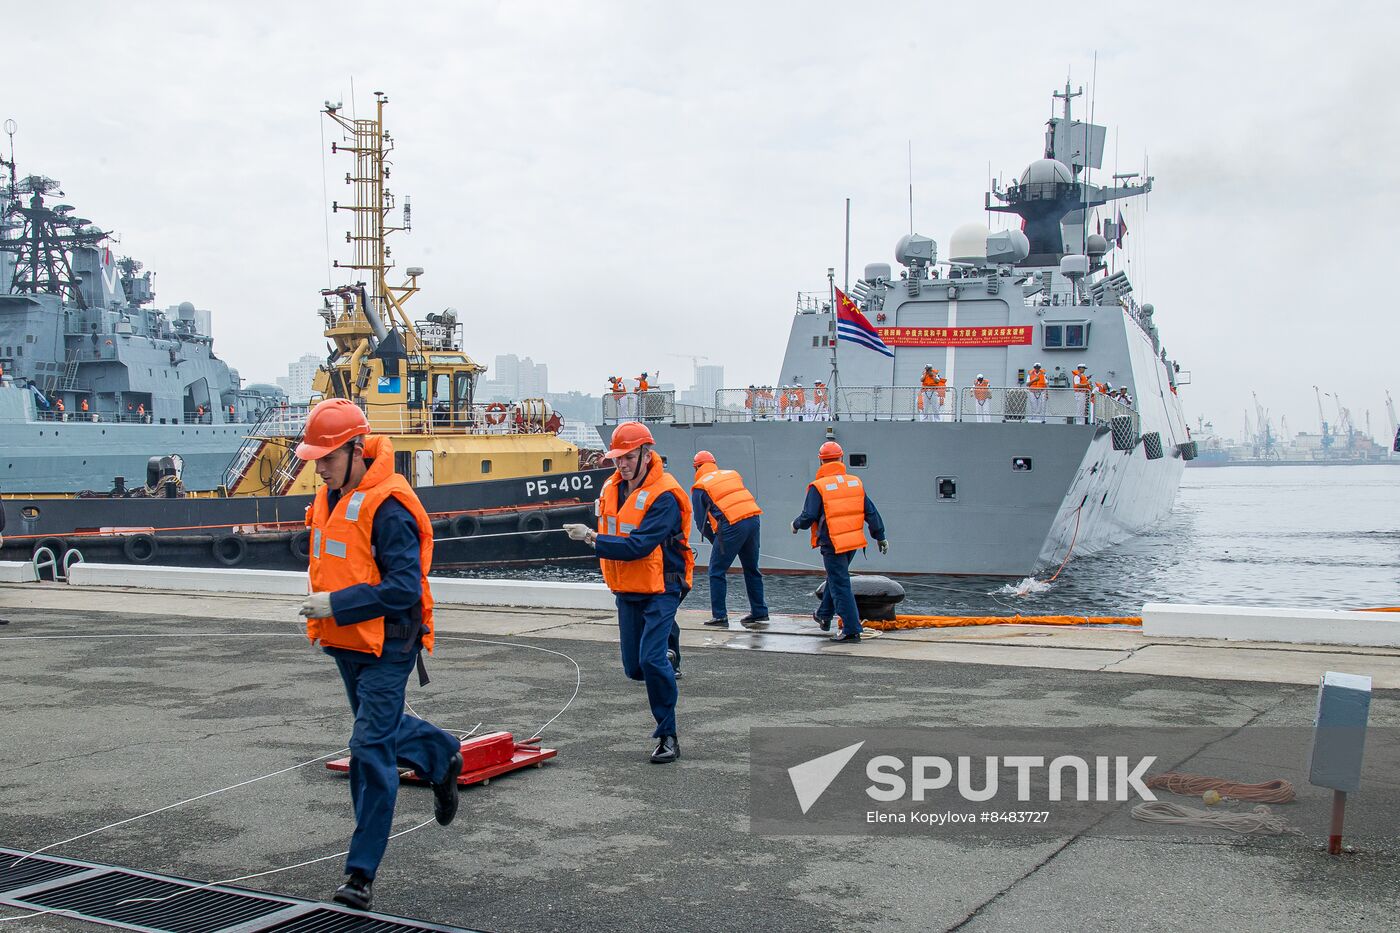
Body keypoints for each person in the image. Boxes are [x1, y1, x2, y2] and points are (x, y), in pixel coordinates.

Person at [294, 398, 464, 911]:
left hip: (388, 644)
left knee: (369, 750)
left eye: (326, 458)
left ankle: (359, 873)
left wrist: (335, 604)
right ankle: (440, 754)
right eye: (315, 459)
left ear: (356, 450)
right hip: (345, 642)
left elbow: (404, 588)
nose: (318, 468)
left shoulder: (390, 508)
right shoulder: (332, 493)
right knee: (381, 732)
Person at [564, 421, 691, 763]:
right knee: (635, 668)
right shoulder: (611, 487)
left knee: (650, 660)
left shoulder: (665, 496)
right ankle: (665, 658)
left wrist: (591, 538)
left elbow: (638, 546)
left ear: (647, 455)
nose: (622, 463)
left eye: (629, 457)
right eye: (618, 457)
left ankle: (667, 736)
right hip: (626, 587)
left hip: (662, 586)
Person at [791, 441, 886, 642]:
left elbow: (808, 516)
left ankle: (851, 630)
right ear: (841, 459)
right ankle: (824, 614)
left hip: (832, 543)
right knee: (836, 578)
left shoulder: (818, 487)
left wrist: (796, 524)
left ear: (821, 461)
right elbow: (871, 512)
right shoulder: (855, 482)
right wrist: (880, 536)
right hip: (853, 542)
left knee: (840, 584)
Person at [690, 450, 768, 630]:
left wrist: (716, 541)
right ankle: (760, 611)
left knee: (716, 571)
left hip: (732, 524)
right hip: (753, 518)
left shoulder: (700, 487)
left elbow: (700, 522)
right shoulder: (732, 474)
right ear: (714, 463)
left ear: (696, 468)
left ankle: (719, 615)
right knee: (751, 568)